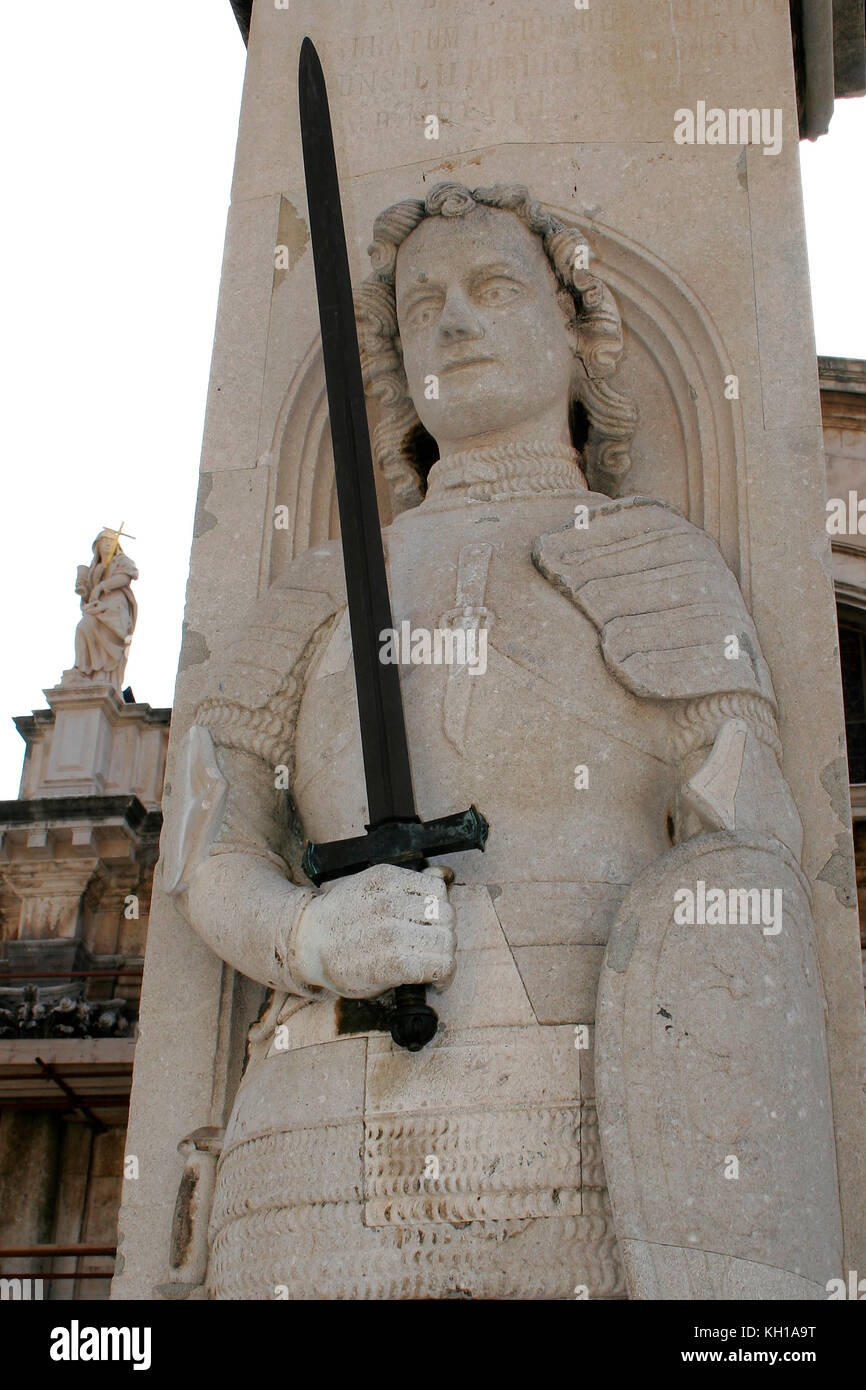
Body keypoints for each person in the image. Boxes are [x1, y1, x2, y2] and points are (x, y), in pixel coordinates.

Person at [165, 184, 840, 1299]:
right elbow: (205, 843)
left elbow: (741, 881)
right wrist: (307, 932)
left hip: (592, 1129)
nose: (454, 323)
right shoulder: (315, 590)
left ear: (575, 335)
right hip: (315, 1136)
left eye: (492, 289)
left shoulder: (654, 560)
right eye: (421, 304)